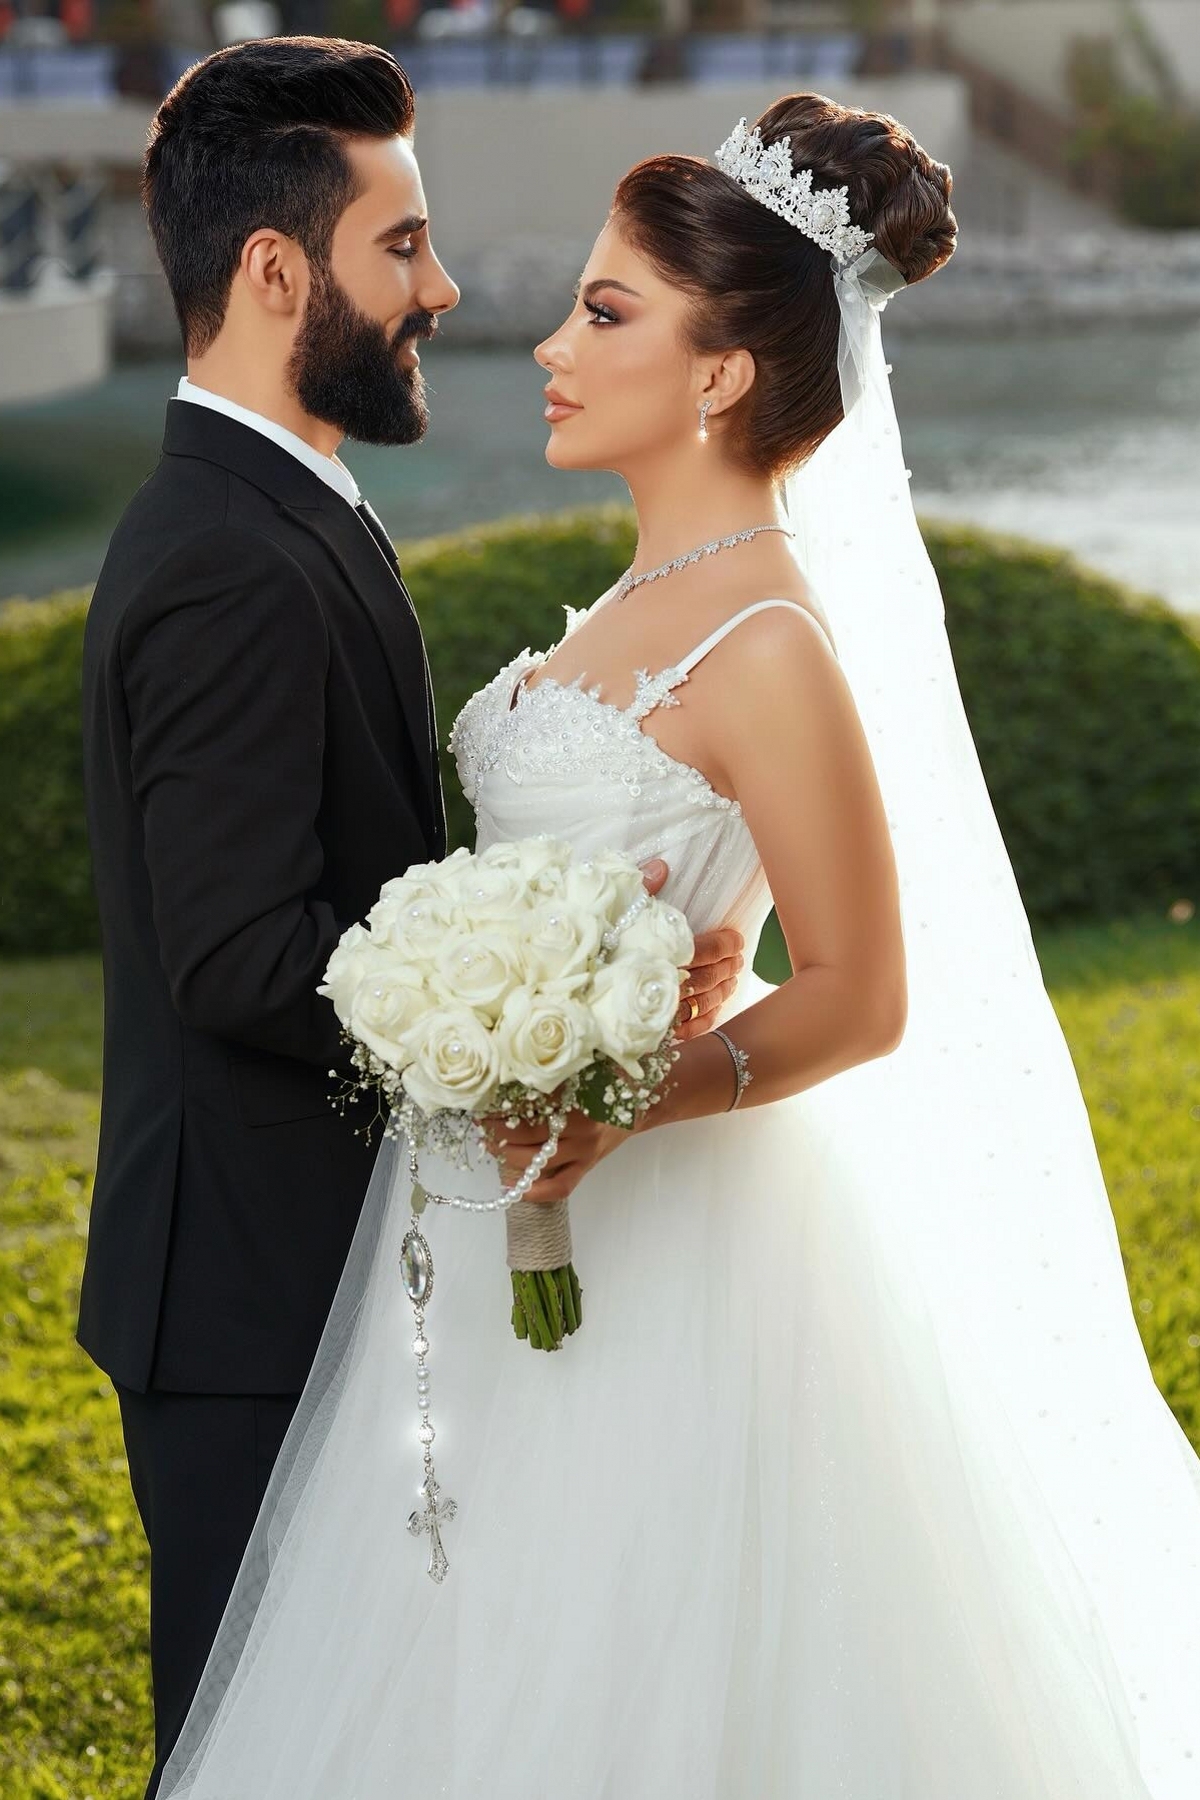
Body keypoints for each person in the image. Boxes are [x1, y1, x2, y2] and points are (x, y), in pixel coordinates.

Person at [155, 94, 1200, 1800]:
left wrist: (629, 1087)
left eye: (606, 312)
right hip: (482, 1219)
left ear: (721, 373)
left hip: (675, 1244)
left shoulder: (770, 637)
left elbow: (862, 992)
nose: (550, 346)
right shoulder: (640, 601)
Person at [76, 37, 742, 1799]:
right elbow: (237, 955)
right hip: (246, 1293)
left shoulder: (288, 505)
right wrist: (539, 994)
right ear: (274, 269)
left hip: (315, 1261)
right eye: (403, 245)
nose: (442, 287)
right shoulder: (225, 558)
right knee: (247, 1749)